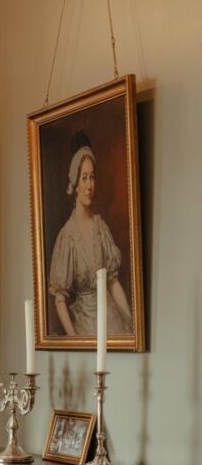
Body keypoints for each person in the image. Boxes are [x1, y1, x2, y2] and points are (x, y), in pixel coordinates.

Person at [48, 132, 133, 337]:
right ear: (75, 184)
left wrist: (131, 322)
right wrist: (74, 338)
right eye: (84, 178)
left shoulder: (101, 227)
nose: (89, 186)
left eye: (92, 177)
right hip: (84, 328)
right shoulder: (67, 236)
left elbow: (112, 282)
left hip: (112, 322)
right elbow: (60, 298)